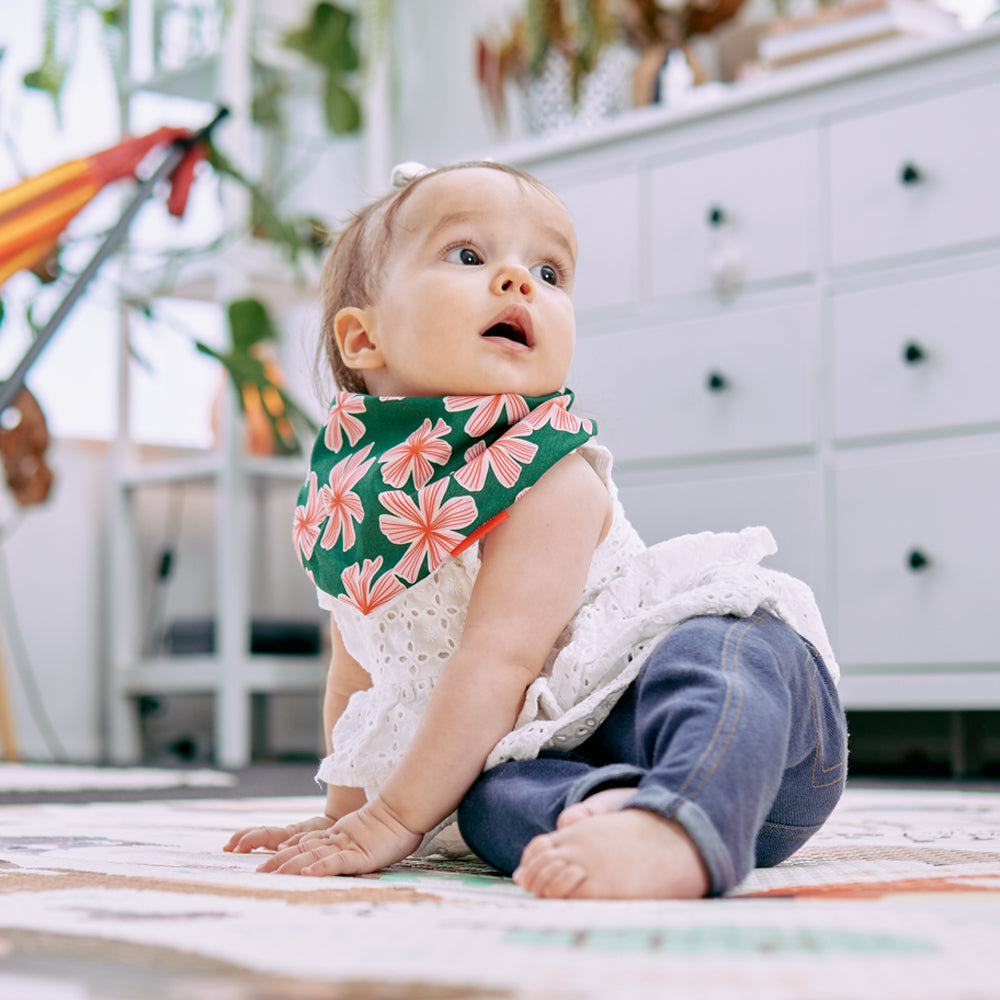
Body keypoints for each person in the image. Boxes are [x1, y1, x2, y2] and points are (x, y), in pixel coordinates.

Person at [224, 161, 847, 899]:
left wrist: (392, 818)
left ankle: (679, 824)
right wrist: (344, 815)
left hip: (764, 748)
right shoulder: (358, 497)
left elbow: (498, 659)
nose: (520, 281)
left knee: (714, 651)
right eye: (468, 255)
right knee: (484, 804)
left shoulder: (547, 472)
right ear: (365, 339)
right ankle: (609, 817)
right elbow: (359, 675)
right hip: (581, 750)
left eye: (550, 271)